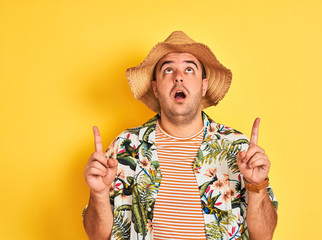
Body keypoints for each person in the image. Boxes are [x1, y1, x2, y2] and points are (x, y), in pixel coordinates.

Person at [83, 31, 278, 240]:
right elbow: (97, 236)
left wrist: (257, 187)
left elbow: (264, 236)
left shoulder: (238, 148)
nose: (178, 76)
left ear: (204, 86)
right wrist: (99, 193)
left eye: (189, 69)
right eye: (168, 70)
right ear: (156, 88)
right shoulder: (125, 147)